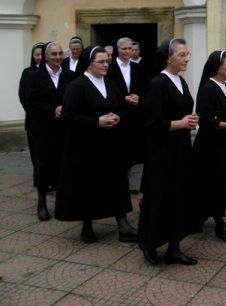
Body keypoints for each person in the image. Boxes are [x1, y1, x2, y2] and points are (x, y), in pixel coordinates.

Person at [55, 46, 137, 243]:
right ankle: (87, 226)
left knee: (117, 183)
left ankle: (123, 225)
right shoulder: (77, 86)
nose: (105, 65)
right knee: (88, 186)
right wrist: (96, 122)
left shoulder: (110, 84)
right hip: (86, 147)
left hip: (110, 145)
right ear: (89, 64)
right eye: (101, 62)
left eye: (107, 61)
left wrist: (118, 116)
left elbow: (122, 108)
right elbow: (69, 116)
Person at [137, 39, 201, 265]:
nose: (187, 59)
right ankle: (149, 242)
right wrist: (180, 123)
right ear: (168, 58)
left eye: (187, 54)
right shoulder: (157, 83)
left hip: (181, 149)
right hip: (161, 152)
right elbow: (152, 123)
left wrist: (190, 121)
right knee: (159, 197)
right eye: (182, 55)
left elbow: (183, 113)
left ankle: (174, 247)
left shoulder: (181, 83)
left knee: (179, 197)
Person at [193, 50, 226, 244]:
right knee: (212, 182)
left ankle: (207, 214)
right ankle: (219, 222)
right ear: (217, 68)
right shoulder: (208, 89)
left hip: (225, 145)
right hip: (210, 147)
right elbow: (205, 120)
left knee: (222, 180)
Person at [25, 42, 73, 221]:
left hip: (64, 128)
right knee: (43, 164)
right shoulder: (34, 76)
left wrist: (66, 108)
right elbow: (31, 102)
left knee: (63, 164)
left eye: (60, 53)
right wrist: (52, 110)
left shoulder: (70, 75)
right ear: (46, 56)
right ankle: (42, 202)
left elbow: (74, 97)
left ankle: (62, 202)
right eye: (54, 54)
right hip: (43, 128)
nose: (58, 57)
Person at [106, 37, 145, 193]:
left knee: (129, 152)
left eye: (130, 49)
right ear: (118, 49)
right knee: (116, 151)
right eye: (124, 49)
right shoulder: (109, 67)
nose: (127, 52)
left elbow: (143, 86)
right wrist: (123, 98)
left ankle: (126, 185)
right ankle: (114, 184)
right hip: (116, 113)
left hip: (133, 115)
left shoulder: (137, 68)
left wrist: (138, 96)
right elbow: (107, 89)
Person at [18, 42, 45, 170]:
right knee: (35, 149)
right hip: (33, 118)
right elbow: (22, 95)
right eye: (37, 54)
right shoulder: (27, 72)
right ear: (32, 56)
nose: (39, 57)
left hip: (49, 117)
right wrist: (32, 112)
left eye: (41, 54)